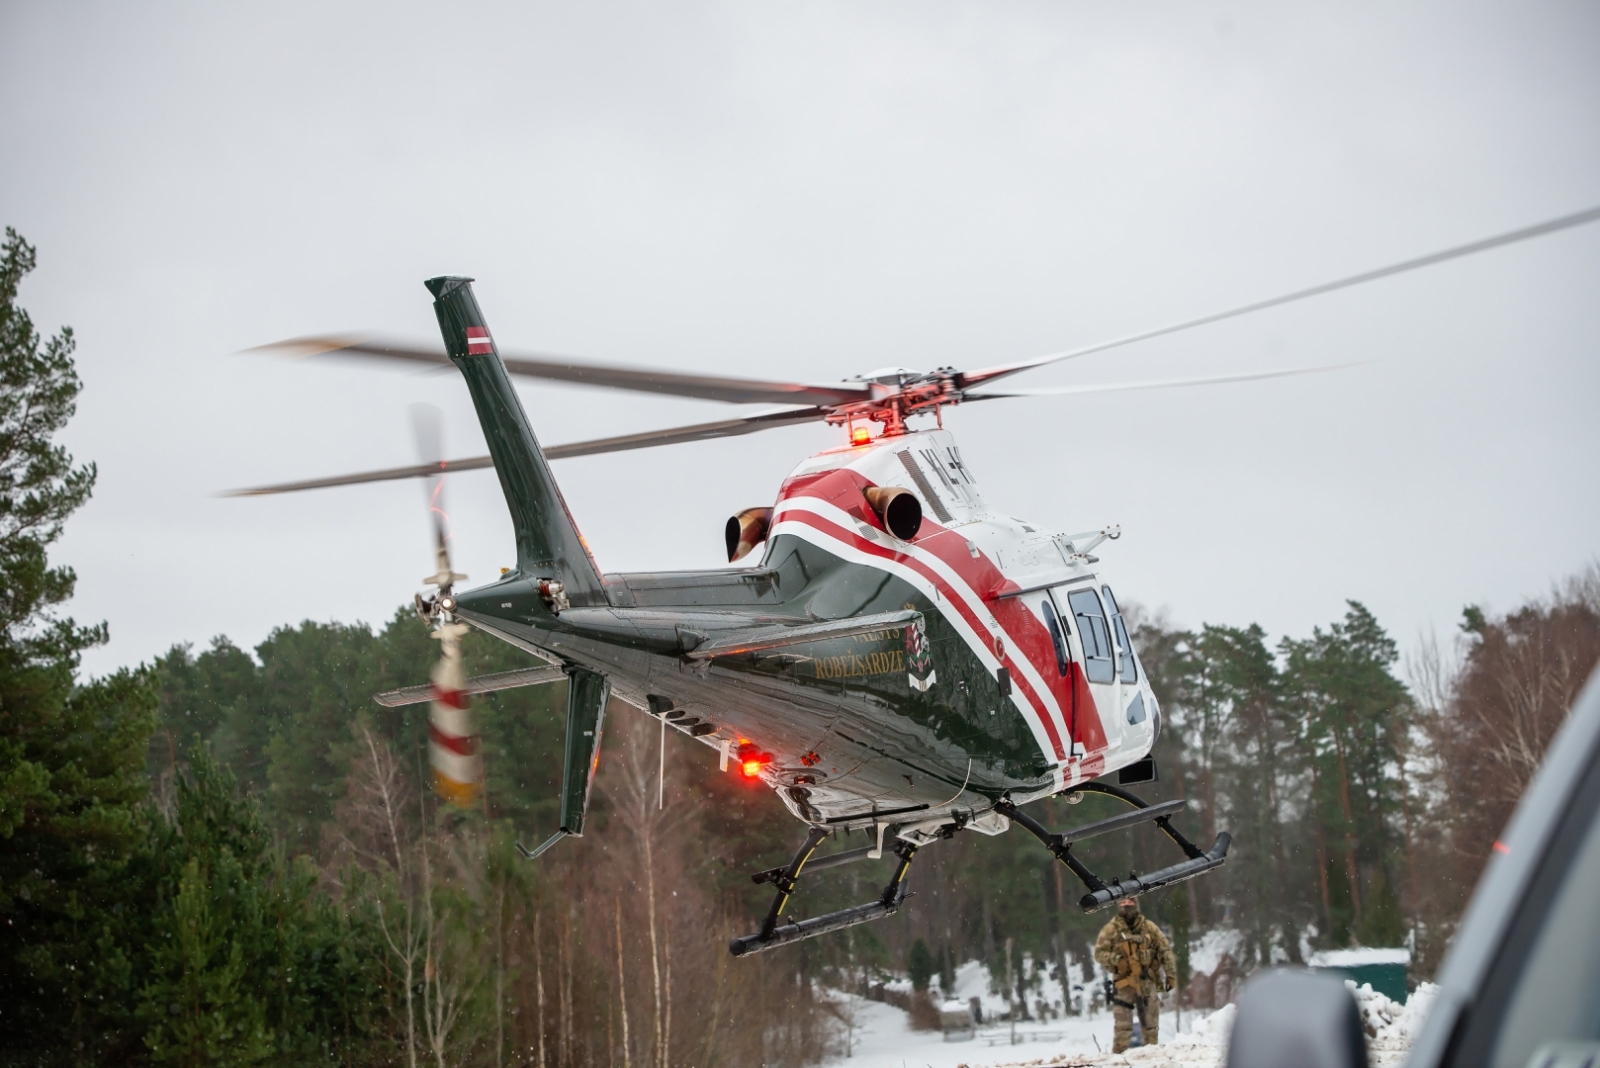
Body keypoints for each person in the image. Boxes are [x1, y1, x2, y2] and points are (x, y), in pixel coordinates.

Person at [1093, 896, 1177, 1052]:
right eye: (1123, 903)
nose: (1127, 906)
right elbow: (1099, 953)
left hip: (1146, 980)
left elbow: (1165, 950)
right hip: (1124, 982)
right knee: (1122, 1028)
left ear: (1136, 904)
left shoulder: (1149, 927)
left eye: (1130, 902)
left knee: (1151, 1025)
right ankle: (1119, 1060)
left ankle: (1151, 1057)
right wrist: (1117, 960)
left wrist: (1170, 974)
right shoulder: (1111, 929)